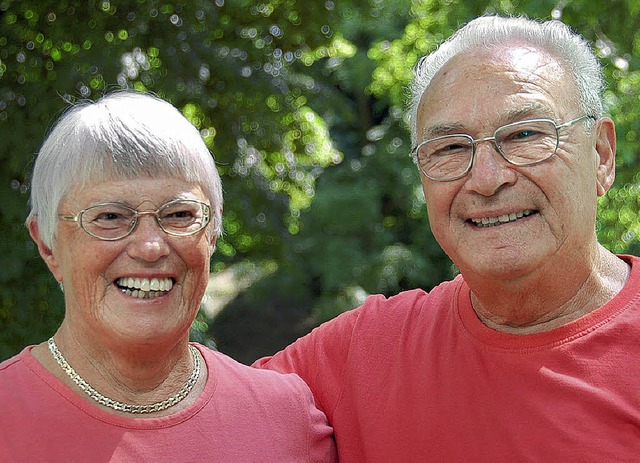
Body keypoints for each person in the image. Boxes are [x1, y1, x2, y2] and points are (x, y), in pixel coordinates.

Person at [254, 15, 640, 460]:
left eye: (525, 134)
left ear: (601, 155)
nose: (487, 179)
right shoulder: (364, 356)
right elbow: (198, 415)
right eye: (451, 148)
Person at [0, 91, 336, 462]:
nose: (150, 246)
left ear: (211, 232)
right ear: (48, 245)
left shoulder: (285, 419)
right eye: (110, 217)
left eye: (179, 215)